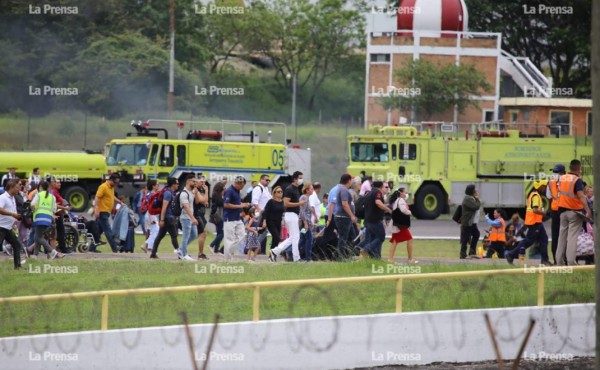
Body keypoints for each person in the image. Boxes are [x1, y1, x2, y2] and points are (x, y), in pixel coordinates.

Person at [556, 159, 592, 266]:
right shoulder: (577, 180)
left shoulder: (562, 178)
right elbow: (581, 196)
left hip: (562, 211)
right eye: (580, 169)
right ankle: (571, 262)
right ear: (578, 169)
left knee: (561, 237)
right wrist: (588, 210)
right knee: (572, 237)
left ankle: (559, 262)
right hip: (574, 213)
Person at [506, 180, 551, 265]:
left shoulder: (535, 194)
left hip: (537, 222)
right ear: (540, 187)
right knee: (528, 241)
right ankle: (511, 255)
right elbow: (535, 210)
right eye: (545, 187)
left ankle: (545, 260)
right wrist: (545, 213)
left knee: (544, 239)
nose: (546, 189)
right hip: (534, 222)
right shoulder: (535, 196)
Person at [269, 171, 306, 262]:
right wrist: (299, 203)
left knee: (291, 238)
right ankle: (297, 259)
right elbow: (286, 203)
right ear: (295, 179)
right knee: (296, 237)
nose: (301, 180)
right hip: (291, 215)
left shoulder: (296, 189)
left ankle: (274, 251)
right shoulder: (290, 189)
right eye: (300, 178)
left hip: (293, 215)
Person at [357, 181, 392, 259]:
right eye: (385, 187)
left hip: (368, 220)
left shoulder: (369, 193)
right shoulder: (377, 193)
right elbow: (378, 203)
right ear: (381, 186)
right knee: (381, 237)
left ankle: (375, 257)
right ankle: (366, 249)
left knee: (371, 238)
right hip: (375, 220)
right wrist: (389, 210)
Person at [30, 180, 63, 259]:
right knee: (38, 236)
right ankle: (35, 254)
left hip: (39, 218)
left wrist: (33, 210)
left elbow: (32, 204)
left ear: (41, 187)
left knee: (38, 237)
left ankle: (53, 252)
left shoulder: (38, 195)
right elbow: (54, 209)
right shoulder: (52, 197)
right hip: (48, 219)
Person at [149, 177, 181, 259]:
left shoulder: (171, 192)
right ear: (173, 184)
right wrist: (162, 220)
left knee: (160, 236)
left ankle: (153, 253)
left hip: (167, 217)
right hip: (168, 218)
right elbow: (164, 207)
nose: (178, 185)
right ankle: (181, 254)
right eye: (177, 183)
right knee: (174, 235)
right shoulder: (168, 193)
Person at [331, 173, 359, 260]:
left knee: (352, 237)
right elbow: (344, 204)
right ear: (349, 181)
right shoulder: (344, 190)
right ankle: (339, 256)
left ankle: (347, 255)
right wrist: (352, 215)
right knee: (343, 238)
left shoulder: (342, 189)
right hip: (343, 218)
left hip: (345, 218)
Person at [94, 174, 123, 253]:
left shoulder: (111, 187)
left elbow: (112, 196)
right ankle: (114, 247)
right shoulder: (103, 186)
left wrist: (120, 202)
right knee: (108, 230)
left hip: (107, 212)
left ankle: (92, 246)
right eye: (115, 182)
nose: (116, 185)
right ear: (111, 180)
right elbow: (97, 197)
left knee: (99, 231)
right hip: (102, 212)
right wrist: (96, 209)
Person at [223, 176, 250, 261]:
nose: (242, 188)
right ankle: (228, 259)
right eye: (242, 186)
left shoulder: (237, 191)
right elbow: (226, 204)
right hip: (229, 218)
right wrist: (240, 206)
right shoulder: (229, 191)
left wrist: (244, 204)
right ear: (238, 183)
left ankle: (228, 252)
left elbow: (236, 202)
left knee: (242, 235)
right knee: (229, 239)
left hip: (237, 218)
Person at [0, 180, 25, 269]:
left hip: (8, 227)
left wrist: (14, 219)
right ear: (11, 187)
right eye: (16, 187)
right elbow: (0, 209)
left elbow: (12, 210)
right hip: (1, 227)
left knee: (16, 245)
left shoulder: (13, 197)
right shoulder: (3, 197)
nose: (18, 189)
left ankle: (18, 266)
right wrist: (12, 214)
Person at [388, 187, 416, 263]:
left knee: (395, 241)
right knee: (410, 239)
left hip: (397, 224)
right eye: (405, 192)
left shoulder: (398, 200)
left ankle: (390, 259)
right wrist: (410, 212)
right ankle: (410, 259)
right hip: (400, 225)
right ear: (401, 193)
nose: (407, 194)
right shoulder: (401, 201)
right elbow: (403, 210)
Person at [546, 164, 565, 263]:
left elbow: (549, 197)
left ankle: (558, 259)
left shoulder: (552, 182)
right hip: (561, 211)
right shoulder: (552, 182)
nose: (554, 174)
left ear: (562, 173)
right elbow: (549, 197)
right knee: (560, 236)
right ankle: (559, 259)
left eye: (556, 172)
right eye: (554, 172)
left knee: (558, 235)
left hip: (559, 211)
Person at [178, 174, 198, 261]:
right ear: (188, 181)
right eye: (193, 181)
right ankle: (184, 254)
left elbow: (197, 201)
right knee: (185, 236)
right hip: (185, 218)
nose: (195, 183)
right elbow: (186, 207)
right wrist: (193, 218)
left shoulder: (191, 192)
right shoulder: (183, 193)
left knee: (194, 235)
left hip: (190, 217)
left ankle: (181, 250)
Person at [251, 174, 272, 254]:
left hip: (265, 213)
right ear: (261, 180)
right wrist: (260, 211)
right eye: (266, 180)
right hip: (260, 214)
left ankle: (260, 249)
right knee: (263, 230)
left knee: (263, 231)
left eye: (268, 180)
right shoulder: (258, 188)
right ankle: (254, 245)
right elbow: (255, 201)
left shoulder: (265, 189)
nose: (268, 182)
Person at [262, 186, 285, 258]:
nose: (280, 193)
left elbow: (283, 212)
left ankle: (271, 256)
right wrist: (264, 221)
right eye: (278, 192)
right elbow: (265, 212)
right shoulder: (271, 201)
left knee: (275, 240)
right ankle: (277, 253)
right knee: (277, 238)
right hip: (271, 222)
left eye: (281, 191)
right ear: (274, 193)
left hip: (279, 222)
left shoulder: (282, 202)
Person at [459, 184, 481, 259]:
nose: (476, 191)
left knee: (476, 234)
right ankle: (463, 254)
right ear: (471, 191)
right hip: (467, 222)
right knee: (465, 238)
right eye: (474, 190)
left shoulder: (471, 198)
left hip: (472, 222)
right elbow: (476, 207)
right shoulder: (468, 198)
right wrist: (477, 199)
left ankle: (472, 252)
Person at [140, 180, 159, 253]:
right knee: (156, 231)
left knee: (154, 231)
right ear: (153, 186)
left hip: (149, 214)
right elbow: (149, 207)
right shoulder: (152, 195)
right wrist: (151, 218)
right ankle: (148, 248)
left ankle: (147, 246)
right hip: (150, 214)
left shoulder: (149, 194)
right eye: (157, 184)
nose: (158, 186)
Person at [298, 183, 315, 261]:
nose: (312, 190)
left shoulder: (307, 198)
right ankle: (307, 257)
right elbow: (302, 211)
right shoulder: (304, 197)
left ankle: (294, 254)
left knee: (303, 239)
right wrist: (305, 223)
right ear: (307, 190)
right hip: (305, 223)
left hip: (306, 222)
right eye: (311, 189)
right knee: (309, 239)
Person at [194, 176, 210, 260]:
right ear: (196, 182)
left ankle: (200, 253)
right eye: (201, 182)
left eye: (204, 182)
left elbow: (206, 202)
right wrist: (207, 191)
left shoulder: (201, 190)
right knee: (202, 233)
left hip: (201, 214)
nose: (203, 183)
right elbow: (202, 201)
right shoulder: (196, 189)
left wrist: (205, 194)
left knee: (203, 233)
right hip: (197, 214)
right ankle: (200, 254)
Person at [208, 182, 225, 254]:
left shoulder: (217, 194)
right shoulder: (216, 195)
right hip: (217, 216)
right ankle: (211, 245)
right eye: (223, 188)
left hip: (218, 215)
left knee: (219, 232)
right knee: (222, 233)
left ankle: (216, 249)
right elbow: (221, 203)